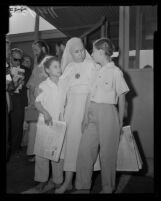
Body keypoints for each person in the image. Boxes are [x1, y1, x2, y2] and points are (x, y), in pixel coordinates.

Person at [75, 38, 130, 193]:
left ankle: (107, 188)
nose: (91, 53)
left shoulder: (116, 72)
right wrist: (85, 116)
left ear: (101, 52)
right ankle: (82, 186)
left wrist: (120, 122)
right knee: (85, 151)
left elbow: (122, 98)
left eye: (92, 50)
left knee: (108, 154)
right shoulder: (96, 70)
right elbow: (89, 95)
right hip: (92, 112)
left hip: (108, 114)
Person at [55, 37, 100, 194]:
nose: (80, 53)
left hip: (87, 109)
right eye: (76, 51)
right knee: (70, 146)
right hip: (71, 111)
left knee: (85, 148)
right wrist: (60, 111)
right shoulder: (68, 68)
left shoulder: (92, 66)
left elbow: (95, 90)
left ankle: (84, 183)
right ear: (70, 53)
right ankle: (67, 182)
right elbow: (62, 92)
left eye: (82, 50)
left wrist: (88, 113)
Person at [27, 56, 64, 193]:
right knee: (42, 154)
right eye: (55, 66)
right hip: (46, 123)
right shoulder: (43, 85)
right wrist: (46, 113)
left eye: (59, 66)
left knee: (58, 154)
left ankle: (58, 180)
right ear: (47, 70)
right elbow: (37, 102)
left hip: (59, 124)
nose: (59, 68)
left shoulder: (64, 84)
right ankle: (42, 180)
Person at [26, 40, 49, 162]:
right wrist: (30, 98)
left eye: (36, 50)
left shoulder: (49, 61)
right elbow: (32, 82)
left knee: (44, 128)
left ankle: (42, 154)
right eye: (33, 50)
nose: (34, 53)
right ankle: (35, 153)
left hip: (45, 101)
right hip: (35, 100)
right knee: (34, 127)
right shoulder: (37, 62)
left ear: (44, 49)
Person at [9, 48, 26, 156]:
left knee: (18, 123)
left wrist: (23, 83)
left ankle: (16, 146)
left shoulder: (25, 70)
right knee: (10, 124)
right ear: (10, 57)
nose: (18, 62)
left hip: (19, 97)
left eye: (20, 60)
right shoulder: (7, 69)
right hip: (9, 96)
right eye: (15, 59)